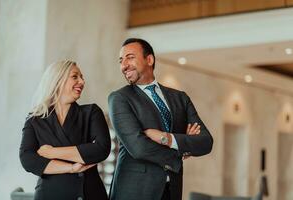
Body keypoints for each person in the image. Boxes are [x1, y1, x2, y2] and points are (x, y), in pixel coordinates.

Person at [108, 38, 213, 200]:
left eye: (130, 57)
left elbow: (206, 141)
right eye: (121, 61)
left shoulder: (180, 98)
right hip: (134, 192)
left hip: (172, 191)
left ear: (149, 59)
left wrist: (167, 138)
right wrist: (182, 147)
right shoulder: (120, 98)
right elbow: (138, 147)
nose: (124, 66)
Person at [19, 60, 111, 200]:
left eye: (82, 77)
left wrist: (51, 152)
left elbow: (101, 149)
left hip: (89, 194)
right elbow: (27, 159)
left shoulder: (91, 112)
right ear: (57, 80)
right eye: (75, 76)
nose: (82, 81)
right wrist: (71, 168)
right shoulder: (35, 118)